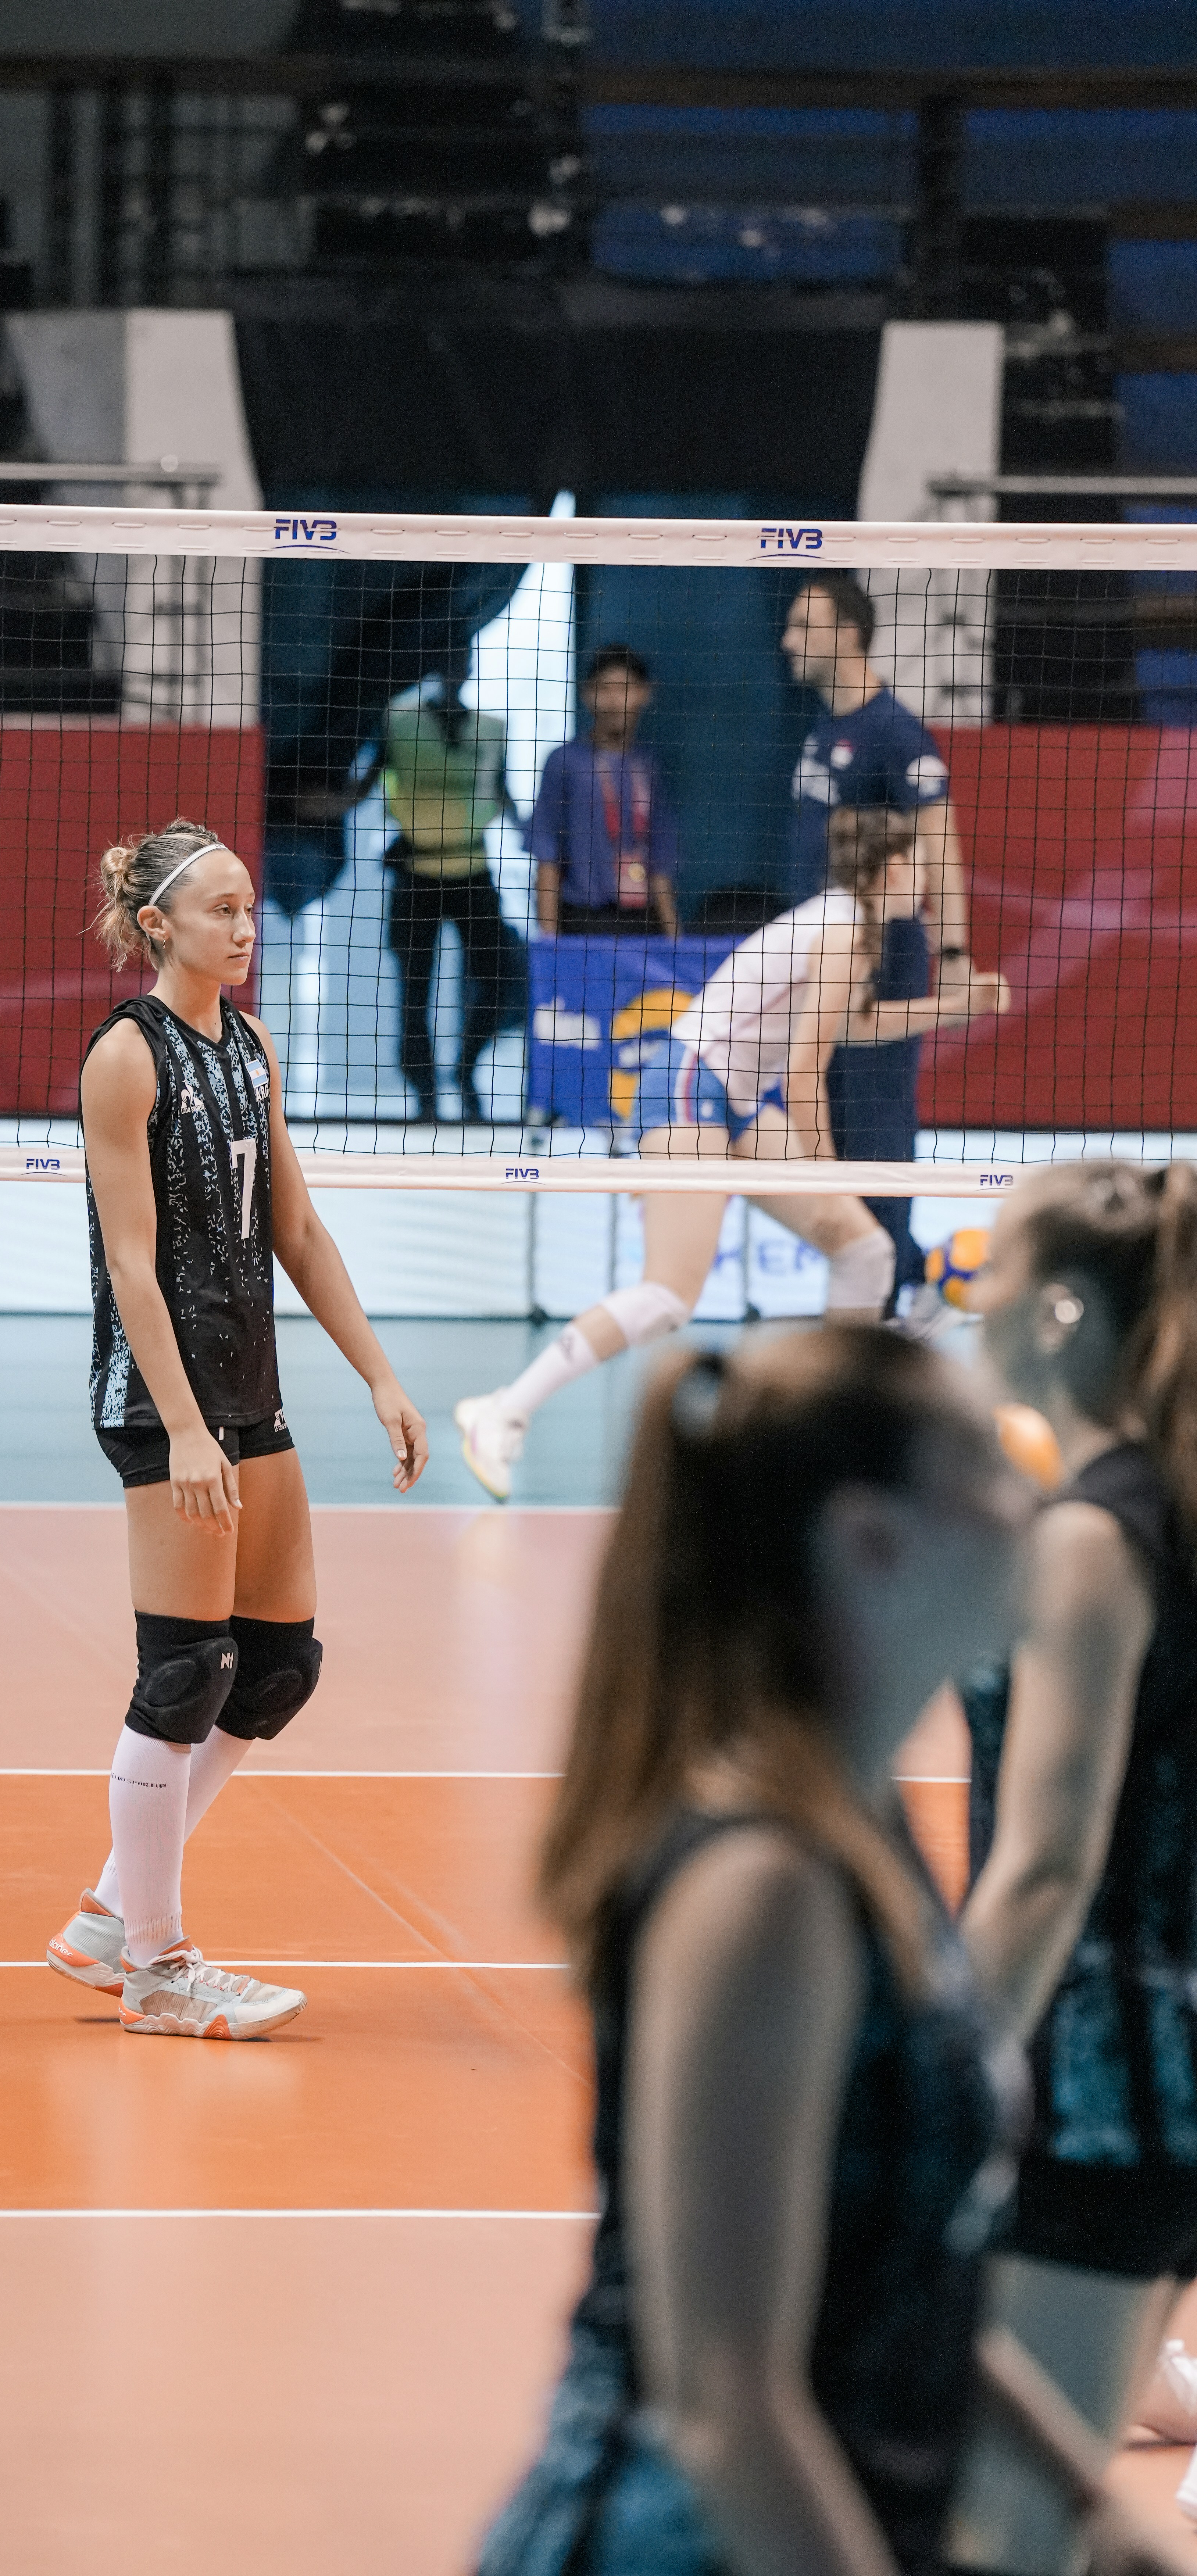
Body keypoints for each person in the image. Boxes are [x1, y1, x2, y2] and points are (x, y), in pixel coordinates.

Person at [475, 1326, 1177, 2576]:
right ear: (873, 1541)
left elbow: (899, 2277)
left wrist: (1086, 2495)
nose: (1038, 1500)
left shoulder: (862, 1824)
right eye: (990, 1464)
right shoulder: (764, 1889)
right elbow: (725, 2402)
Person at [44, 816, 428, 2039]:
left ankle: (109, 1909)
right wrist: (186, 1428)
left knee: (273, 1668)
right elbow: (130, 1262)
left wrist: (379, 1373)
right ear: (158, 924)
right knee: (184, 1668)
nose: (243, 926)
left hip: (249, 1391)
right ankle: (154, 1966)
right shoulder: (126, 1056)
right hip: (164, 1403)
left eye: (251, 906)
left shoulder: (250, 1043)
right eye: (220, 908)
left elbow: (296, 1230)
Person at [454, 809, 1008, 1501]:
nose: (927, 881)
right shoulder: (839, 931)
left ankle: (837, 1447)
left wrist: (952, 1009)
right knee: (667, 1296)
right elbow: (806, 1073)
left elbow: (853, 1024)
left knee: (865, 1251)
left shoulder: (851, 931)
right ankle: (501, 1411)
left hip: (739, 1099)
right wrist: (833, 1174)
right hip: (690, 1084)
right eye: (919, 865)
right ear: (889, 870)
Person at [950, 1163, 1197, 2572]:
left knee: (1004, 2537)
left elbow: (1043, 1867)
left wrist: (939, 2073)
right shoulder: (1145, 1507)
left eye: (984, 1272)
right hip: (1144, 2078)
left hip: (1091, 2101)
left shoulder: (1095, 1544)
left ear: (1052, 1312)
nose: (962, 1297)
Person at [783, 572, 973, 1313]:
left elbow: (941, 845)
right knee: (828, 1121)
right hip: (822, 959)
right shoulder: (821, 727)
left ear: (847, 634)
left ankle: (895, 1297)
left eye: (803, 625)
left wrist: (952, 958)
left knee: (874, 1125)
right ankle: (893, 1278)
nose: (787, 640)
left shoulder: (894, 733)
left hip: (879, 961)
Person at [377, 660, 526, 1125]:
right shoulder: (397, 722)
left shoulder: (492, 729)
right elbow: (369, 782)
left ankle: (465, 1071)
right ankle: (424, 1092)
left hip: (473, 870)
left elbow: (502, 793)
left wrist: (536, 835)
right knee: (413, 990)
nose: (454, 668)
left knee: (496, 978)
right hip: (415, 873)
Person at [529, 644, 679, 940]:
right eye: (604, 689)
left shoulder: (648, 766)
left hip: (641, 922)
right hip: (583, 921)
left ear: (644, 693)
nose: (614, 701)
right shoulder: (565, 763)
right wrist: (550, 943)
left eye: (624, 689)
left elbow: (661, 862)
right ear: (587, 695)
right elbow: (548, 859)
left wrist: (675, 942)